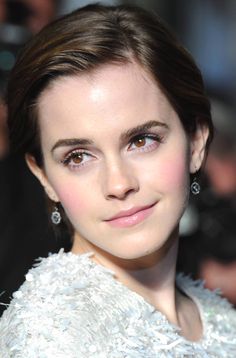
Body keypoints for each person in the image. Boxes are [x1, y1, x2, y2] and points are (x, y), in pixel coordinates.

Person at [0, 3, 235, 357]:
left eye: (141, 140)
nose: (118, 183)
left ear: (197, 141)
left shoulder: (215, 316)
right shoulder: (53, 340)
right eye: (78, 157)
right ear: (43, 175)